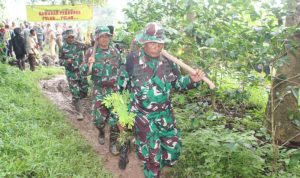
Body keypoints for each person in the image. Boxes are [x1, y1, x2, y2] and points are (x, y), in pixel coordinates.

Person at [118, 22, 205, 178]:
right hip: (143, 117)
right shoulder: (132, 61)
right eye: (152, 42)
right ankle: (152, 169)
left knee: (172, 154)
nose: (156, 47)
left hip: (165, 116)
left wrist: (192, 80)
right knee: (153, 159)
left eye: (159, 43)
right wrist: (120, 116)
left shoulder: (169, 63)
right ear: (144, 42)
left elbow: (178, 84)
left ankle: (156, 164)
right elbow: (120, 90)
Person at [86, 26, 122, 155]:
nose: (105, 39)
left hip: (114, 90)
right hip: (99, 90)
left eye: (107, 36)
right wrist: (88, 65)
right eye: (102, 36)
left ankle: (113, 143)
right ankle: (101, 131)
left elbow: (121, 67)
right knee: (99, 120)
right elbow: (83, 72)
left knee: (115, 119)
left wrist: (122, 82)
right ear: (97, 38)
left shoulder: (115, 52)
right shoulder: (91, 52)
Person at [59, 29, 89, 119]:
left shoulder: (79, 45)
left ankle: (77, 100)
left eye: (72, 36)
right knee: (75, 92)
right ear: (65, 38)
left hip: (81, 72)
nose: (71, 38)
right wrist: (66, 61)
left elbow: (89, 47)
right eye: (69, 37)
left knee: (84, 91)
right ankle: (79, 112)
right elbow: (60, 61)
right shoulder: (63, 48)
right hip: (71, 73)